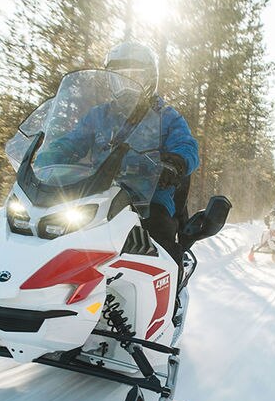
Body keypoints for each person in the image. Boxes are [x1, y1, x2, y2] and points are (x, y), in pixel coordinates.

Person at [38, 41, 199, 266]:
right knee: (56, 230)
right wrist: (47, 156)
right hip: (95, 190)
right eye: (118, 77)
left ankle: (169, 287)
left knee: (159, 237)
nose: (127, 84)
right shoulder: (100, 115)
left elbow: (186, 145)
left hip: (148, 194)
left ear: (150, 79)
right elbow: (73, 141)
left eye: (136, 76)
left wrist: (175, 162)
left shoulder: (167, 116)